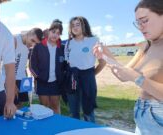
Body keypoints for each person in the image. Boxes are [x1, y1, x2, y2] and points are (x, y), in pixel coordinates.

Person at [94, 0, 163, 134]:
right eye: (138, 22)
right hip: (142, 114)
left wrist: (137, 78)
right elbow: (123, 75)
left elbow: (133, 76)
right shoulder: (146, 45)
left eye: (145, 20)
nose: (141, 27)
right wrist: (106, 56)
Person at [65, 16, 106, 122]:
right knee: (74, 112)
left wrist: (92, 74)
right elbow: (68, 63)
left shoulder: (93, 41)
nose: (75, 27)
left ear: (84, 26)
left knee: (88, 112)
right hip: (72, 79)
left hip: (88, 78)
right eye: (72, 25)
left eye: (78, 24)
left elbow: (102, 62)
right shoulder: (68, 43)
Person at [29, 20, 65, 114]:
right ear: (48, 32)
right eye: (53, 32)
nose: (55, 35)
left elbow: (65, 65)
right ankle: (46, 128)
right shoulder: (38, 47)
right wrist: (39, 77)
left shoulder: (62, 48)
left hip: (56, 83)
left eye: (58, 33)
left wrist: (62, 77)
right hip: (42, 82)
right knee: (44, 107)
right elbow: (32, 66)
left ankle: (57, 127)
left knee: (55, 106)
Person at [10, 28, 43, 108]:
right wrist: (12, 84)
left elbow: (22, 62)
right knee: (12, 107)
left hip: (22, 79)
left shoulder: (29, 46)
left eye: (36, 43)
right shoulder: (14, 40)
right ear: (28, 33)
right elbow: (6, 64)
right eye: (32, 41)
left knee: (21, 105)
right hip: (11, 79)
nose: (33, 44)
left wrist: (26, 77)